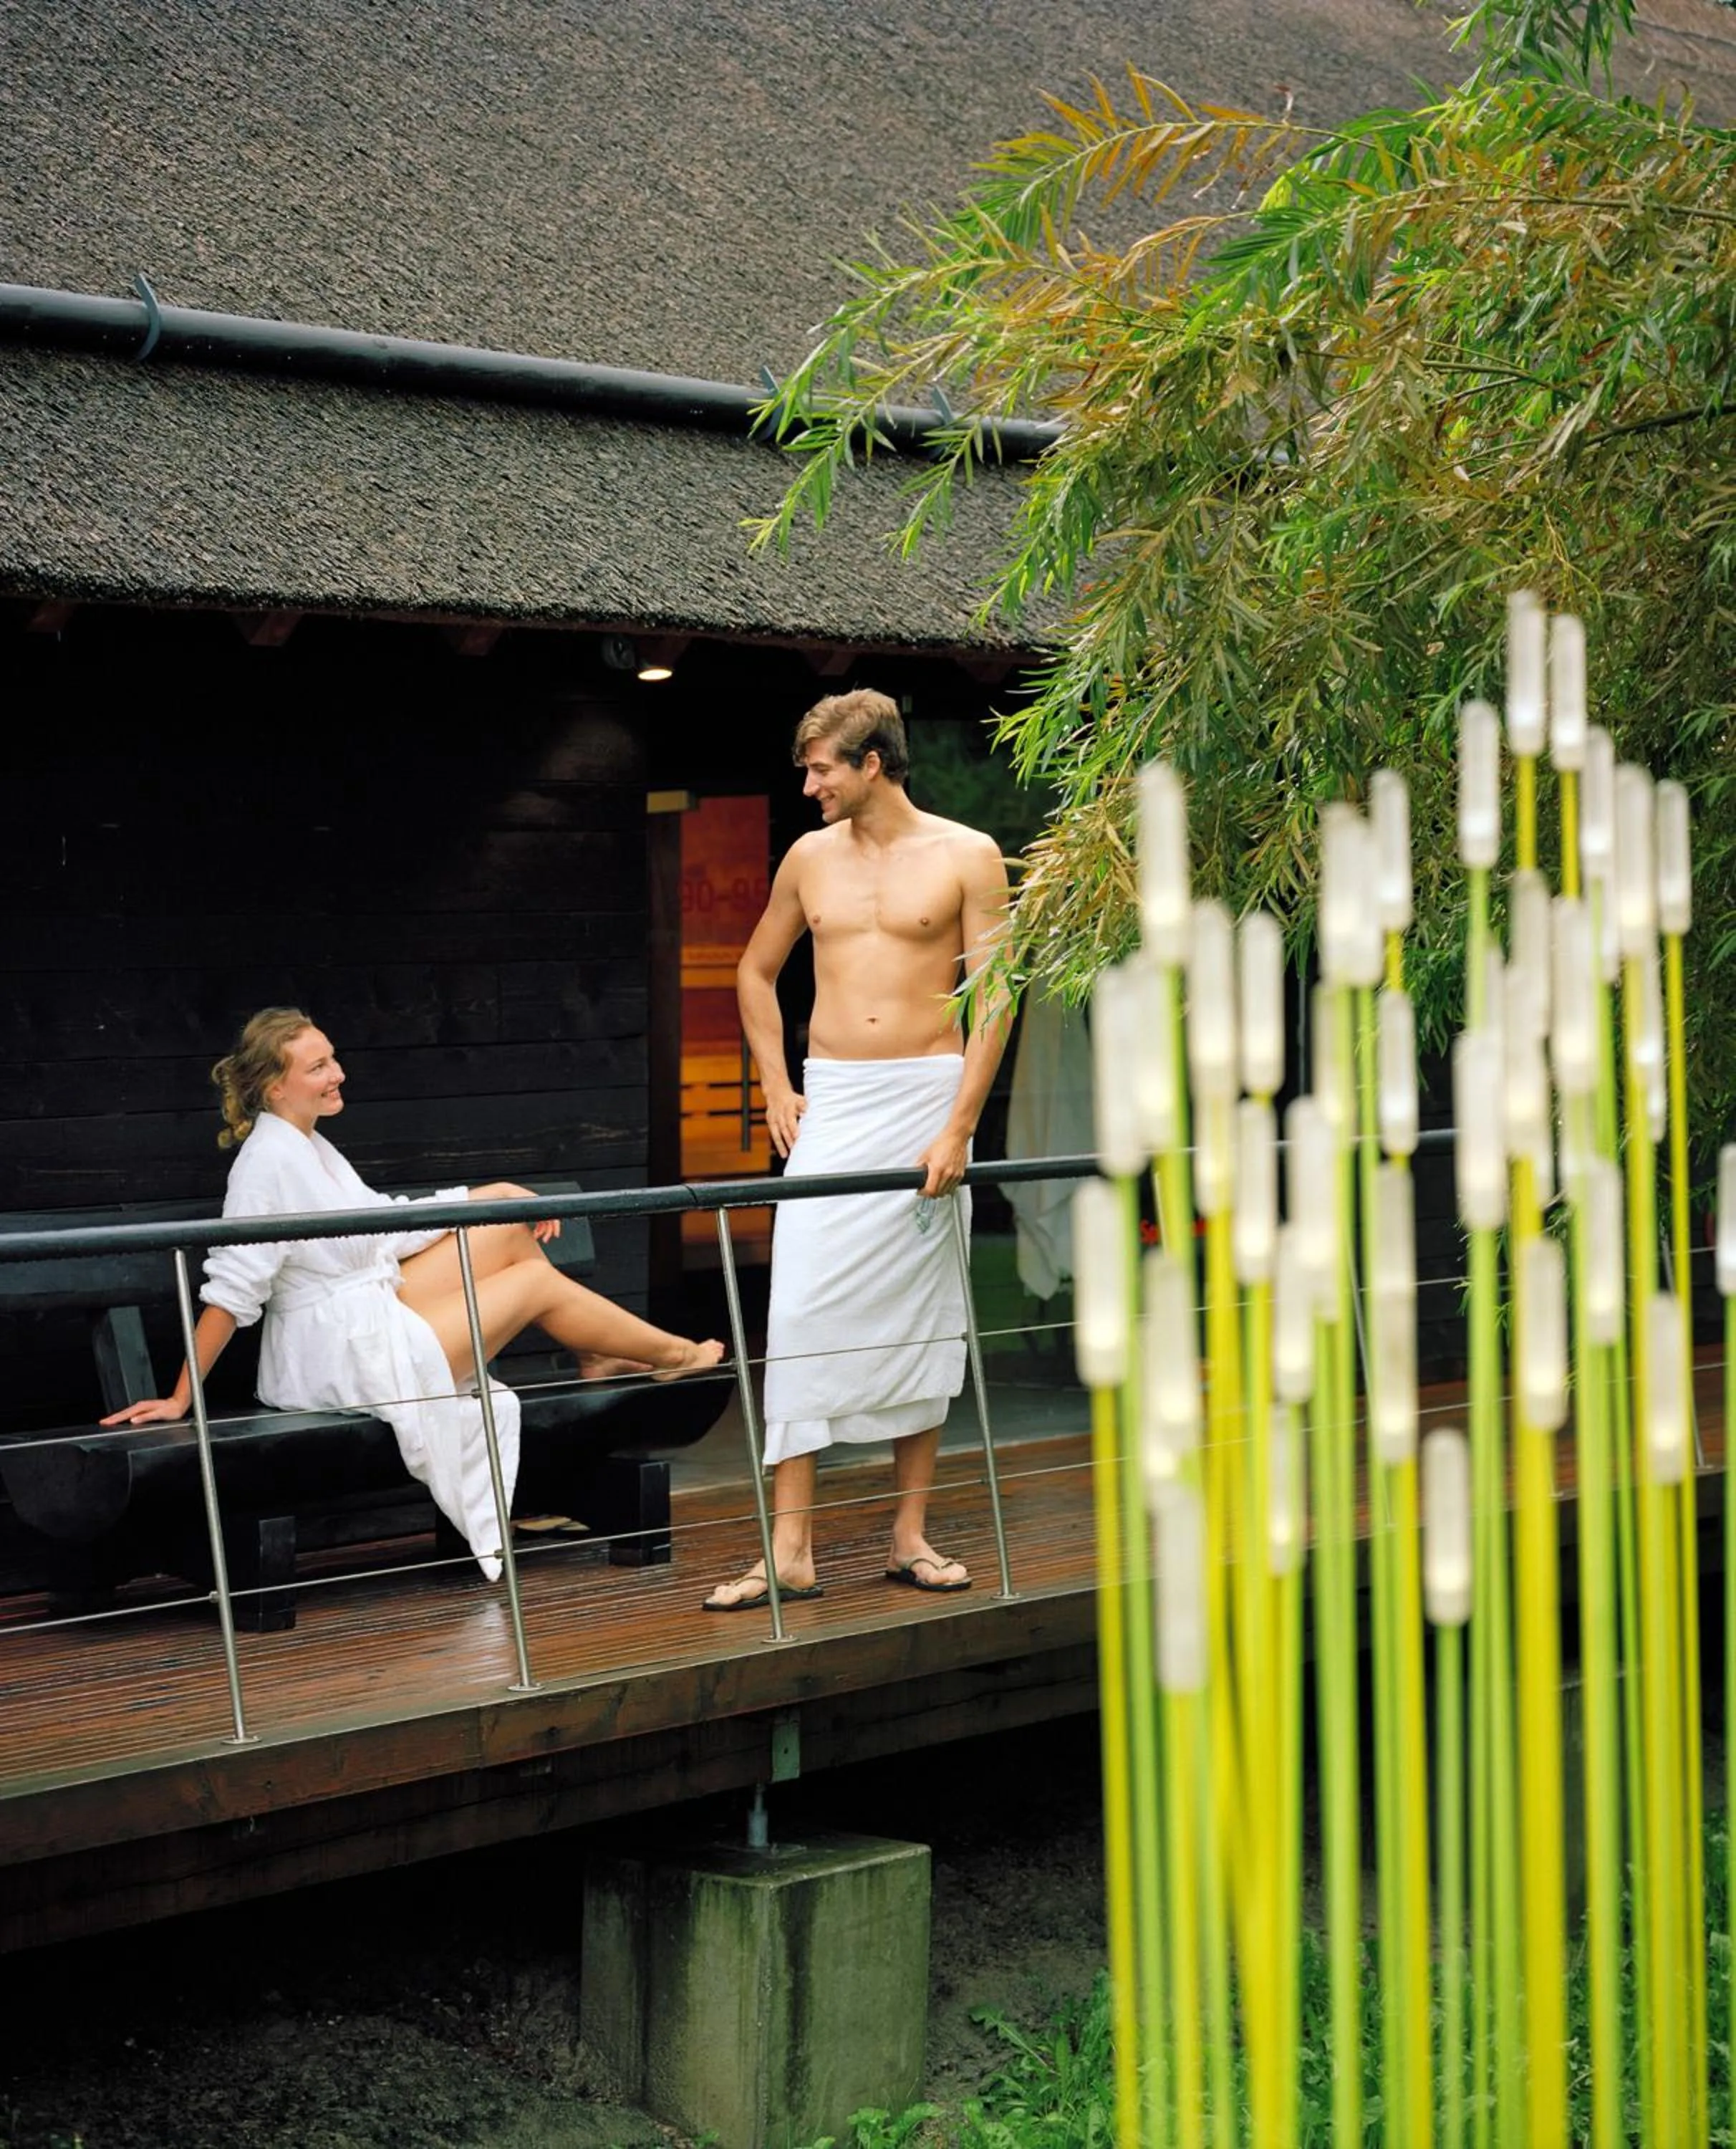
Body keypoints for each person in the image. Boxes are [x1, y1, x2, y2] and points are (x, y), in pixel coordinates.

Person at [103, 1009, 724, 1577]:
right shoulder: (266, 1166)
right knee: (532, 1282)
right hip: (334, 1357)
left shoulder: (310, 1145)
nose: (337, 1074)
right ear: (275, 1087)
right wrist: (182, 1398)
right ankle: (672, 1355)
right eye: (318, 1067)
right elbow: (234, 1291)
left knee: (507, 1233)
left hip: (367, 1309)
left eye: (332, 1058)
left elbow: (383, 1226)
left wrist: (490, 1195)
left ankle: (597, 1357)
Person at [703, 689, 1010, 1610]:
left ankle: (908, 1533)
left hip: (926, 1099)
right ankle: (789, 1549)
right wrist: (775, 1085)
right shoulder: (808, 859)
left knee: (922, 1317)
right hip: (833, 1101)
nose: (809, 787)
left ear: (872, 763)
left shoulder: (967, 855)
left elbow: (996, 996)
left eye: (821, 769)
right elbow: (755, 970)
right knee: (796, 1310)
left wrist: (960, 1126)